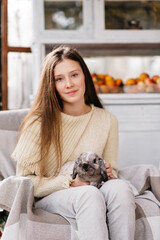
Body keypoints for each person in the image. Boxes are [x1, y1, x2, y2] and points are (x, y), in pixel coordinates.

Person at [12, 45, 136, 240]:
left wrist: (110, 173)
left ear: (85, 76)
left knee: (120, 188)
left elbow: (114, 173)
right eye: (59, 79)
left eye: (74, 75)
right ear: (51, 85)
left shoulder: (107, 120)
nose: (69, 84)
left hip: (91, 188)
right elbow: (24, 182)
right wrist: (69, 183)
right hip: (50, 196)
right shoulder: (38, 122)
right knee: (89, 195)